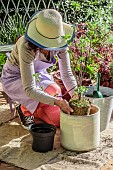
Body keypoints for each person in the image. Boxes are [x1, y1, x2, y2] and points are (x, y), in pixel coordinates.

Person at [1, 9, 77, 129]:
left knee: (58, 121)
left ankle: (35, 109)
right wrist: (57, 102)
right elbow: (30, 89)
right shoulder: (26, 47)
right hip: (15, 78)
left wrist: (76, 95)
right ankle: (24, 109)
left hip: (37, 74)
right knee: (54, 89)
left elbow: (66, 74)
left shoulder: (61, 41)